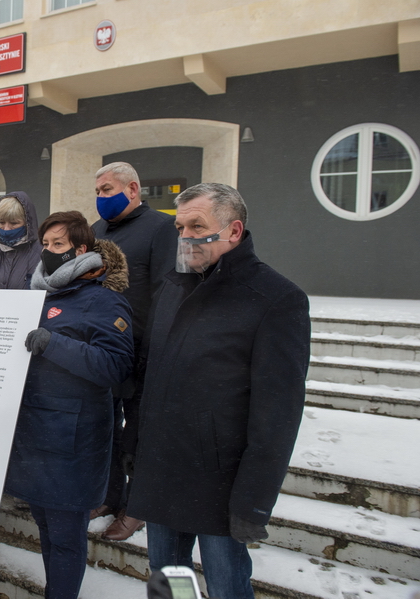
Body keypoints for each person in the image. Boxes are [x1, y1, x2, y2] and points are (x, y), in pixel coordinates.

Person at [126, 183, 310, 598]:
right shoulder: (172, 288)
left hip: (221, 483)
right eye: (180, 227)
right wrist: (133, 443)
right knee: (168, 581)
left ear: (233, 230)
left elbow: (277, 416)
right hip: (162, 469)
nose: (186, 236)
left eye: (197, 226)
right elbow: (151, 375)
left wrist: (254, 501)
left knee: (226, 585)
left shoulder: (276, 300)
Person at [5, 210, 135, 599]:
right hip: (33, 438)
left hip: (72, 443)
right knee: (45, 527)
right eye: (45, 244)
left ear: (81, 249)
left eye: (57, 245)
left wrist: (55, 344)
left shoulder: (103, 301)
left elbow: (116, 367)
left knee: (65, 537)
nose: (48, 252)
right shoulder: (36, 295)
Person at [90, 162, 178, 541]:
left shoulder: (160, 228)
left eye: (108, 189)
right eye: (98, 191)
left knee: (139, 432)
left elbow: (166, 290)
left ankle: (137, 507)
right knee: (104, 428)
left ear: (133, 188)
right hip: (102, 349)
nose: (101, 197)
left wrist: (158, 345)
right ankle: (110, 496)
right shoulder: (96, 232)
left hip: (142, 349)